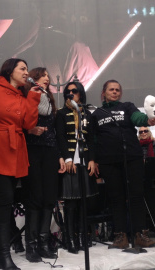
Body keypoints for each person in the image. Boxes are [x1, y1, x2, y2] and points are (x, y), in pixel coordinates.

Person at [0, 58, 40, 270]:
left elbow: (28, 124)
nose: (26, 72)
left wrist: (33, 99)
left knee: (6, 201)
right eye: (22, 69)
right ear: (10, 70)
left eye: (26, 69)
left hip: (15, 151)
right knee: (5, 199)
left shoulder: (23, 94)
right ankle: (3, 255)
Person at [89, 79, 155, 249]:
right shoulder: (96, 114)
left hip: (132, 158)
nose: (115, 92)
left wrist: (148, 120)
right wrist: (93, 159)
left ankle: (139, 235)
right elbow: (92, 139)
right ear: (103, 93)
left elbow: (138, 117)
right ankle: (120, 236)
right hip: (108, 161)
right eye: (111, 89)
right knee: (116, 198)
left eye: (117, 90)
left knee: (136, 196)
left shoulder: (127, 106)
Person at [21, 67, 66, 262]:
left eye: (47, 76)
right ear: (33, 79)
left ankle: (44, 243)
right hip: (32, 150)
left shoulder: (49, 99)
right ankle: (30, 246)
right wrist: (30, 130)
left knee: (49, 198)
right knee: (35, 198)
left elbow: (55, 132)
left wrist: (60, 156)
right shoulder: (27, 96)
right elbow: (20, 123)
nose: (47, 79)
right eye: (42, 76)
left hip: (50, 151)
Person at [55, 81, 98, 254]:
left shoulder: (87, 113)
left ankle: (82, 237)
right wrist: (66, 158)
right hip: (70, 161)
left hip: (84, 160)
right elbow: (60, 137)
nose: (71, 94)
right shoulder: (61, 113)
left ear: (81, 93)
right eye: (68, 91)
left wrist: (92, 159)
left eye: (75, 91)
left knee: (83, 202)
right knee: (71, 203)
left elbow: (92, 139)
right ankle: (69, 238)